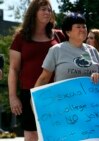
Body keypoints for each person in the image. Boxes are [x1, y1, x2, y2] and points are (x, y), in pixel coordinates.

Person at [8, 0, 65, 140]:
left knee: (54, 135)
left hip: (55, 92)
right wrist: (13, 97)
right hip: (29, 93)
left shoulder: (59, 36)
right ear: (34, 12)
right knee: (31, 135)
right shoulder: (21, 37)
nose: (47, 12)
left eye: (49, 10)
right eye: (43, 9)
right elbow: (13, 69)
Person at [35, 12, 99, 88]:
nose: (82, 29)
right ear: (68, 32)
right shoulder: (57, 50)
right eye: (78, 27)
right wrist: (33, 98)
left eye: (84, 27)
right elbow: (44, 78)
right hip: (64, 98)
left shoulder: (93, 51)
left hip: (91, 99)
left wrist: (98, 76)